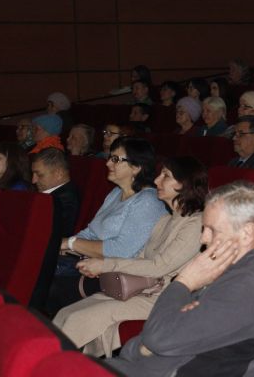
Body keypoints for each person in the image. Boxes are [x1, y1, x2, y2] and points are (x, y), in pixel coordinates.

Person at [107, 182, 254, 377]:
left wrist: (183, 282)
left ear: (246, 233)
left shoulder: (247, 288)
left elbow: (158, 337)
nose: (203, 239)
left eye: (212, 229)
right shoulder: (224, 272)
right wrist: (144, 346)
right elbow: (151, 338)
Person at [53, 156, 207, 357]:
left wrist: (105, 265)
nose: (157, 180)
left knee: (78, 320)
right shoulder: (166, 220)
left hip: (163, 299)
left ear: (185, 183)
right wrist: (101, 266)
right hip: (141, 290)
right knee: (66, 313)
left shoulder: (195, 223)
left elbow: (159, 266)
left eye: (166, 176)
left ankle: (52, 364)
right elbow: (141, 258)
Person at [46, 137, 166, 314]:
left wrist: (71, 243)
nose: (108, 163)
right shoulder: (115, 193)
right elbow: (91, 232)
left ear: (136, 167)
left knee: (48, 284)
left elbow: (122, 251)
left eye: (116, 159)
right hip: (90, 265)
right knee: (39, 265)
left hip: (114, 275)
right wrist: (65, 246)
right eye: (110, 157)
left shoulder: (147, 201)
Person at [29, 148, 80, 311]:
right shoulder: (49, 196)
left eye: (39, 175)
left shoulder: (65, 199)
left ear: (58, 174)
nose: (33, 180)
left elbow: (54, 235)